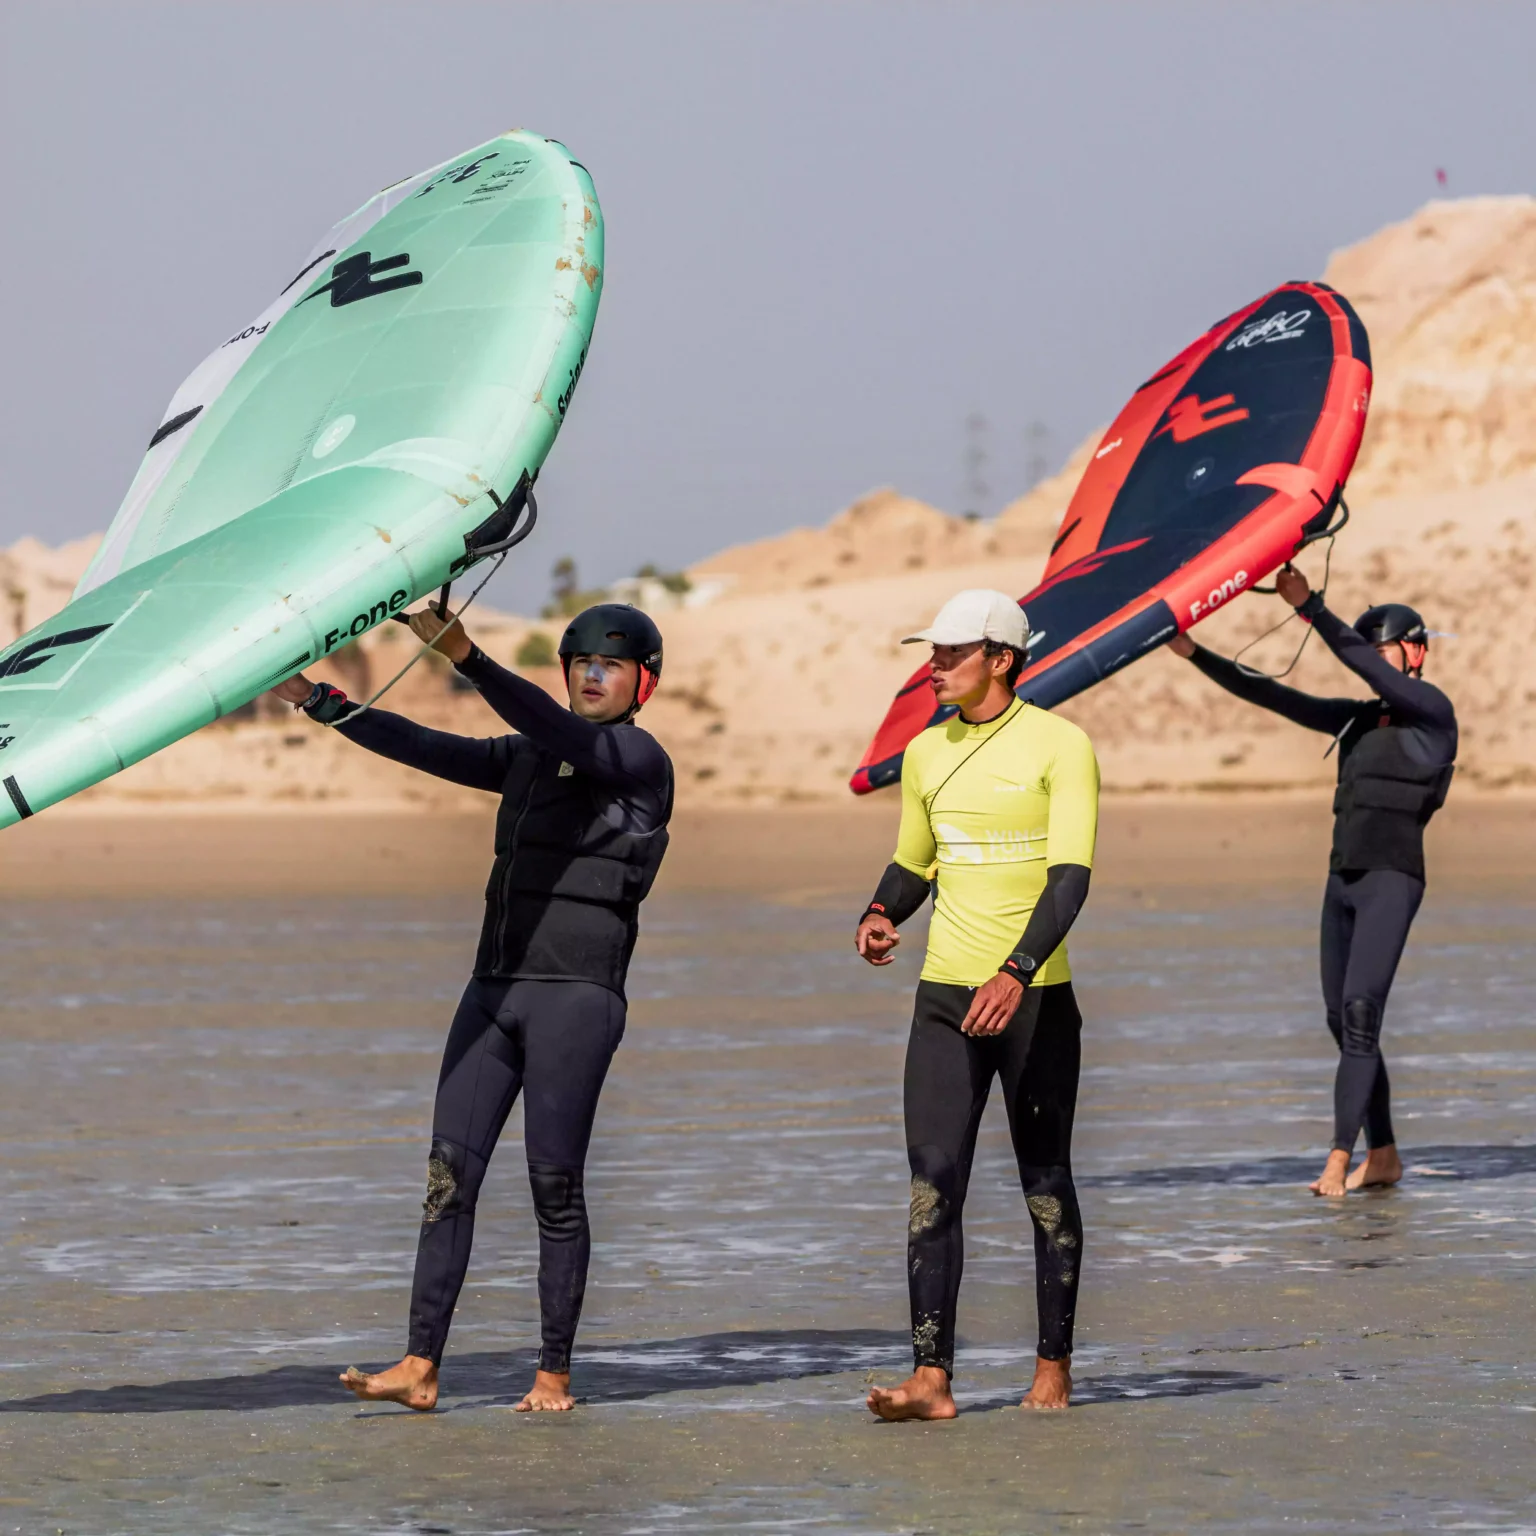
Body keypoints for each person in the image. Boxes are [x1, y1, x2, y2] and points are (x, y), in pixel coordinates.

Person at [270, 601, 672, 1411]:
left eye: (611, 667)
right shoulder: (529, 755)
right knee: (447, 1178)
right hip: (491, 992)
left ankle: (553, 1375)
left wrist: (467, 655)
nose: (592, 677)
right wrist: (318, 700)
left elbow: (567, 736)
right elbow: (427, 748)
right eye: (580, 664)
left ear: (643, 684)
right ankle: (420, 1365)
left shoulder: (637, 760)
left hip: (576, 999)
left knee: (553, 1187)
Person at [855, 589, 1100, 1419]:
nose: (935, 666)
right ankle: (931, 1378)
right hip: (944, 998)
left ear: (1002, 656)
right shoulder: (925, 752)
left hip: (1034, 1000)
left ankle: (1052, 1367)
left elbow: (1070, 877)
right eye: (932, 653)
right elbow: (915, 860)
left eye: (952, 653)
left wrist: (1017, 971)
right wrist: (881, 911)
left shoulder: (1061, 747)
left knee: (1044, 1185)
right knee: (933, 1184)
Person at [1168, 566, 1456, 1198]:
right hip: (1342, 884)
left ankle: (1336, 1161)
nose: (1374, 664)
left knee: (1359, 1015)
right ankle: (1382, 1155)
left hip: (1391, 880)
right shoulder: (1356, 722)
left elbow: (1371, 672)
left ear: (1415, 652)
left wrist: (1312, 609)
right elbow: (1271, 695)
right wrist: (1193, 653)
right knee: (1341, 1020)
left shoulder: (1433, 717)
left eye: (1383, 651)